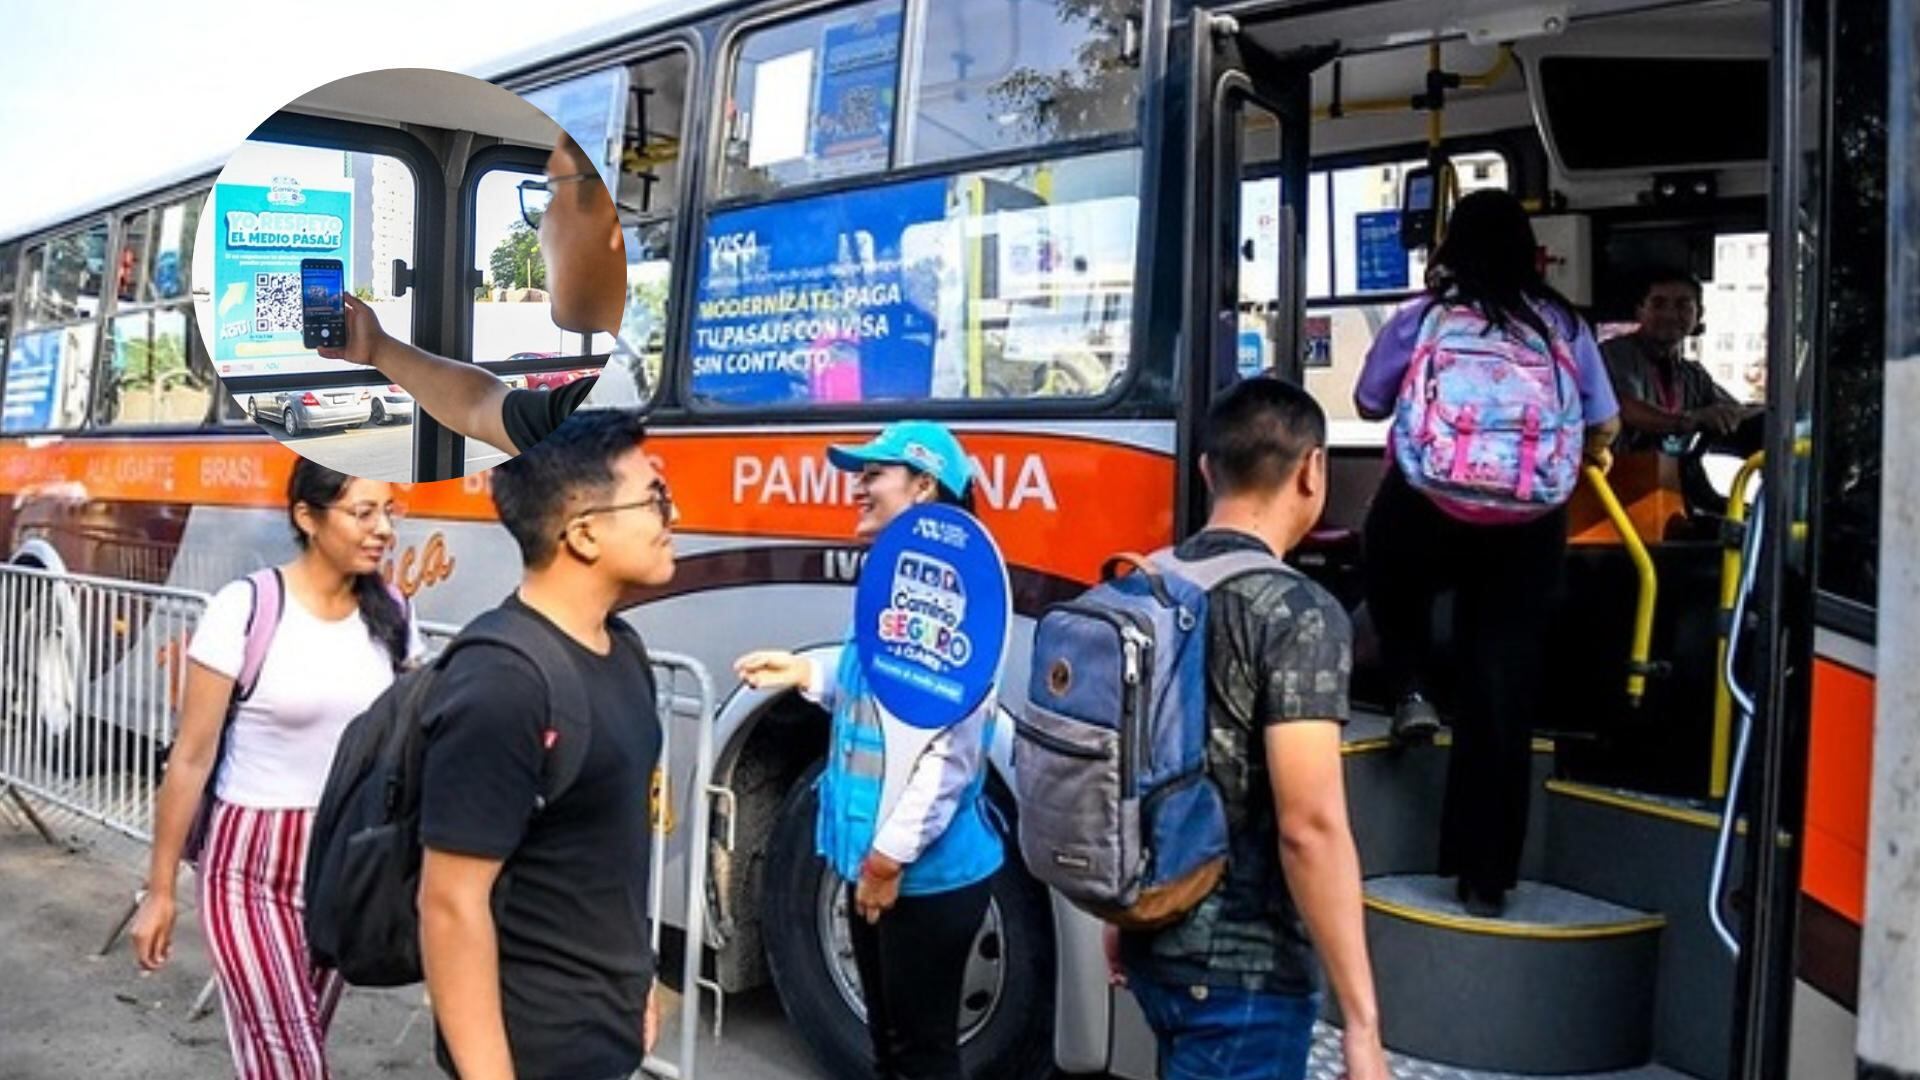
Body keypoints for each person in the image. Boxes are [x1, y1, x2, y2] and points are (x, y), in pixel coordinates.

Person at [1354, 189, 1621, 916]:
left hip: (1429, 507)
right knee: (1500, 686)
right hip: (1530, 521)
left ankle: (1407, 683)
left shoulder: (1423, 317)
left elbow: (1370, 403)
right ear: (1529, 250)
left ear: (1450, 249)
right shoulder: (1564, 324)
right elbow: (1603, 421)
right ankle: (1485, 877)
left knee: (1385, 555)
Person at [1113, 377, 1388, 1080]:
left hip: (1154, 942)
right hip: (1248, 975)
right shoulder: (1298, 612)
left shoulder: (1142, 585)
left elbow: (1122, 774)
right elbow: (1310, 827)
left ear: (1207, 470)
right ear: (1313, 470)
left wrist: (1120, 917)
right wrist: (1361, 1023)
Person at [131, 459, 418, 1079]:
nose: (383, 530)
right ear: (307, 517)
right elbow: (190, 756)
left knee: (294, 1044)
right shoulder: (247, 608)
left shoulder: (393, 614)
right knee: (289, 1055)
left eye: (389, 512)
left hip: (342, 861)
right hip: (248, 861)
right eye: (364, 512)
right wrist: (159, 892)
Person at [734, 421, 1002, 1080]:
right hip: (881, 865)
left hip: (924, 877)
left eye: (873, 472)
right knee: (889, 1051)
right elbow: (873, 693)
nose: (857, 485)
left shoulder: (956, 593)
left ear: (923, 485)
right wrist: (805, 675)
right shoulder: (900, 582)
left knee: (921, 1059)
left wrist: (886, 860)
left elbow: (948, 757)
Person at [417, 409, 672, 1080]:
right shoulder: (502, 683)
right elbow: (450, 904)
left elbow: (607, 860)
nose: (669, 516)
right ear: (584, 534)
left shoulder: (625, 651)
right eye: (654, 499)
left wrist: (636, 980)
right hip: (534, 1049)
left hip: (606, 1031)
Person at [318, 131, 625, 455]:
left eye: (552, 194)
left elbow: (481, 406)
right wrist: (377, 348)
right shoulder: (596, 406)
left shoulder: (616, 414)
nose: (540, 229)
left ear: (612, 221)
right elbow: (479, 404)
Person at [1602, 267, 1758, 454]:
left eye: (1682, 305)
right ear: (1640, 311)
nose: (1669, 315)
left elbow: (1732, 411)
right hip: (1615, 476)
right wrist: (1689, 420)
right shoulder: (1616, 353)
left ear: (1698, 314)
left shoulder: (1693, 375)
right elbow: (1625, 408)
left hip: (1670, 476)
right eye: (1658, 304)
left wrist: (1765, 412)